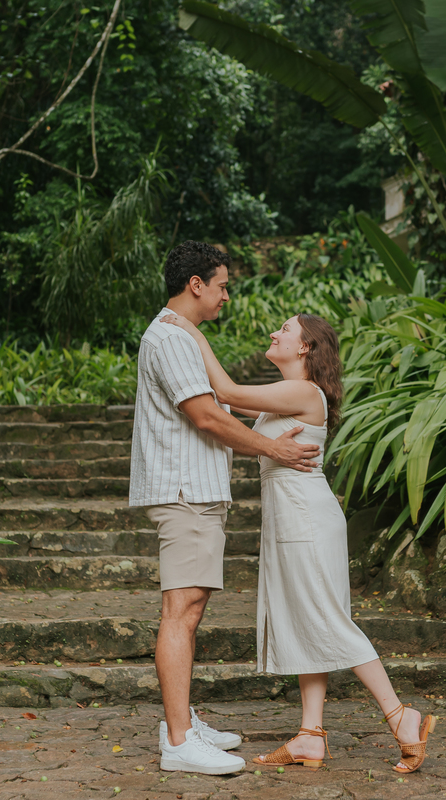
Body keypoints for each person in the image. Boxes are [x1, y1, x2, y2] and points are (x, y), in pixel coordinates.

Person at [160, 310, 435, 774]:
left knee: (328, 619)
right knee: (311, 622)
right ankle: (310, 735)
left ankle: (400, 716)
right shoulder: (282, 399)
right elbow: (221, 408)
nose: (274, 332)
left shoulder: (304, 392)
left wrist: (190, 329)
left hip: (305, 521)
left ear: (305, 347)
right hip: (294, 520)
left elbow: (225, 392)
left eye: (285, 329)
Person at [130, 241, 322, 776]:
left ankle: (182, 719)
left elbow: (223, 399)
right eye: (222, 285)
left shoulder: (179, 335)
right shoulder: (169, 338)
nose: (226, 296)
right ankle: (178, 740)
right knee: (181, 611)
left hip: (196, 490)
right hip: (185, 491)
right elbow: (208, 417)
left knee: (190, 609)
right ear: (197, 284)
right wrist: (275, 448)